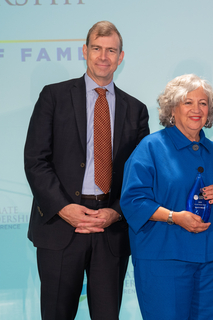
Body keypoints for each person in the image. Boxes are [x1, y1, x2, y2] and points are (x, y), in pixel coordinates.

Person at [24, 21, 149, 319]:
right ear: (85, 51)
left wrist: (116, 212)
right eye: (96, 48)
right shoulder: (53, 97)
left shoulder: (136, 110)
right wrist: (64, 208)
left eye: (111, 50)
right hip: (61, 226)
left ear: (121, 57)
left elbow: (140, 177)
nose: (103, 56)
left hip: (110, 230)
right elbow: (35, 160)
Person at [120, 74, 213, 320]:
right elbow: (132, 201)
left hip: (211, 262)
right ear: (172, 109)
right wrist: (174, 217)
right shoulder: (150, 148)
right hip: (163, 260)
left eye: (203, 103)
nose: (197, 109)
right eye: (187, 102)